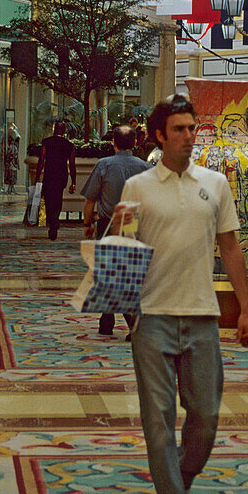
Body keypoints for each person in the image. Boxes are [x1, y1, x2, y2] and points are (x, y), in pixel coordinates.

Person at [115, 96, 248, 494]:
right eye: (178, 129)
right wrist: (127, 310)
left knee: (206, 416)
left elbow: (231, 247)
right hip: (153, 317)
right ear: (159, 135)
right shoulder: (138, 186)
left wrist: (247, 307)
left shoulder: (215, 184)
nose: (187, 136)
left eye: (191, 128)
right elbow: (122, 250)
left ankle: (174, 487)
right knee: (157, 418)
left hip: (202, 316)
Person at [82, 123, 150, 337]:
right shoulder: (145, 167)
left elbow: (90, 199)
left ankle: (133, 323)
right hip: (136, 226)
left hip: (108, 225)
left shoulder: (104, 165)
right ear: (136, 142)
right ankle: (107, 319)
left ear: (113, 143)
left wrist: (87, 225)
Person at [35, 120, 76, 241]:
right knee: (58, 199)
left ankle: (52, 222)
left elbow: (41, 160)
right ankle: (55, 221)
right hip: (61, 175)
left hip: (49, 174)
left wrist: (37, 177)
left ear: (54, 129)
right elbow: (72, 164)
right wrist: (73, 181)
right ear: (63, 131)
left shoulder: (47, 142)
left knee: (48, 199)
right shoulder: (68, 145)